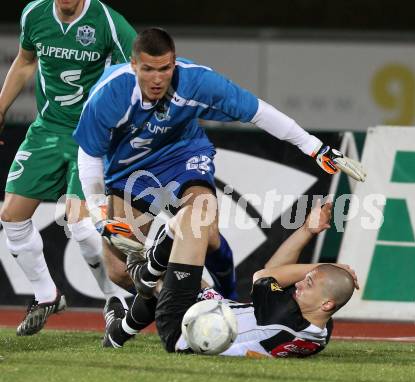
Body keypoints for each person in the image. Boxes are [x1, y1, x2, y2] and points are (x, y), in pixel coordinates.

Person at [73, 27, 365, 311]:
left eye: (165, 68)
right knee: (119, 271)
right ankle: (208, 303)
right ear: (133, 64)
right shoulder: (109, 95)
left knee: (202, 224)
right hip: (128, 171)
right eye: (149, 69)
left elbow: (257, 111)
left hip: (182, 154)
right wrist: (99, 210)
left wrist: (315, 147)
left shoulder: (197, 82)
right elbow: (88, 157)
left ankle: (226, 293)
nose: (158, 79)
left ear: (174, 63)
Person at [0, 0, 137, 336]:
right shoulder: (34, 14)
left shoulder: (108, 22)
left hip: (90, 135)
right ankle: (47, 296)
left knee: (81, 225)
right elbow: (26, 61)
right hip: (46, 130)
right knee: (12, 219)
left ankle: (115, 299)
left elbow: (133, 75)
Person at [102, 200, 358, 359]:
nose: (300, 283)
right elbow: (275, 269)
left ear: (327, 304)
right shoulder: (319, 329)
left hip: (186, 327)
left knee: (192, 219)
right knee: (186, 273)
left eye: (309, 283)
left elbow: (265, 274)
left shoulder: (284, 316)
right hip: (216, 317)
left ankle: (146, 266)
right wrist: (306, 231)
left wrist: (324, 266)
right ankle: (120, 331)